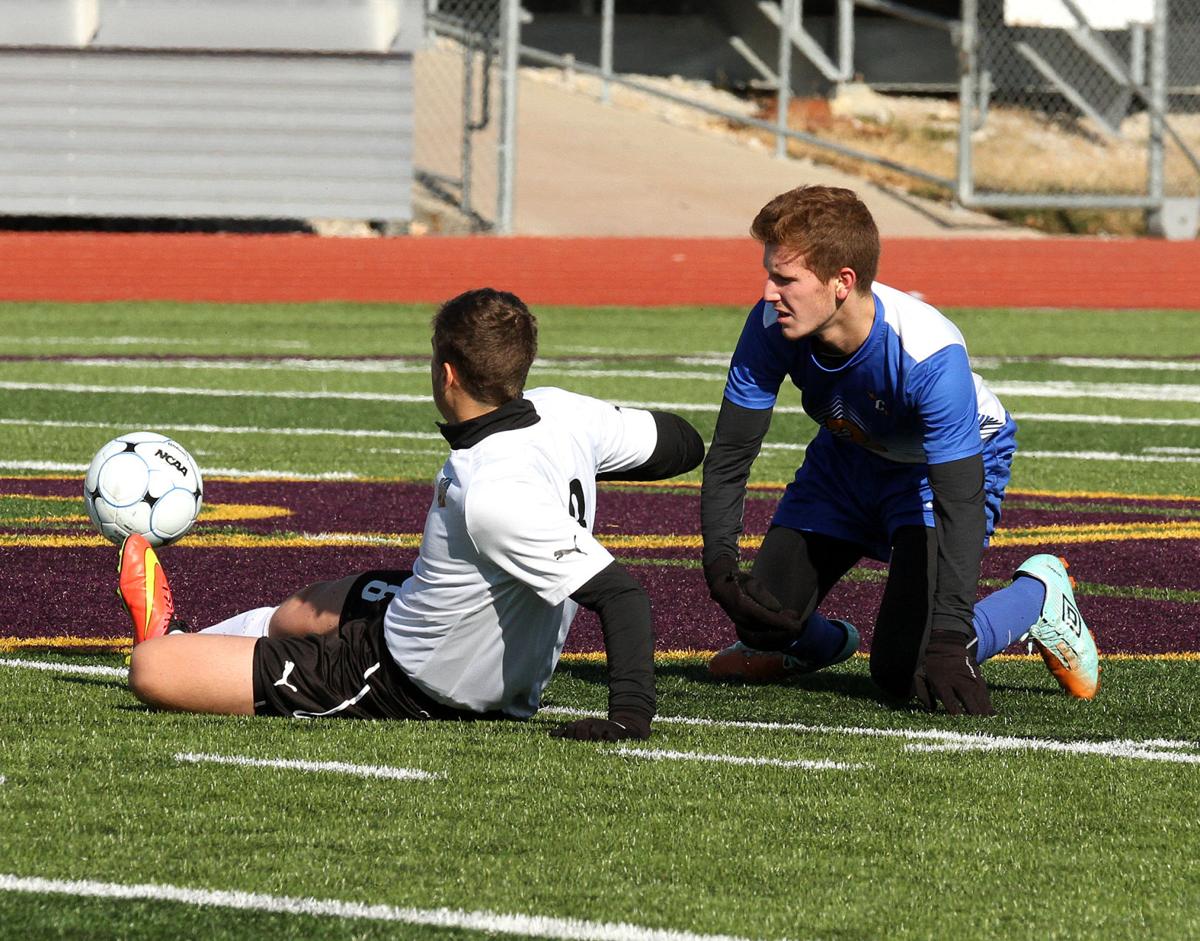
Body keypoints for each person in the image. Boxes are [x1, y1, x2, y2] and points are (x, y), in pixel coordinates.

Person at [121, 287, 704, 740]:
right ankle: (216, 637)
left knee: (152, 668)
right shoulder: (563, 413)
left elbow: (622, 596)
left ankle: (168, 639)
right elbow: (683, 443)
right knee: (310, 605)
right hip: (457, 617)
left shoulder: (494, 487)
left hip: (416, 680)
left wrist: (628, 717)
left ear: (447, 373)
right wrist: (572, 462)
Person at [699, 185, 1098, 715]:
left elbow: (958, 503)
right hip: (847, 460)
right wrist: (720, 564)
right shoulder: (771, 324)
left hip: (932, 478)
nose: (769, 292)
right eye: (770, 274)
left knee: (904, 672)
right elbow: (731, 451)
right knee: (758, 609)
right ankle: (813, 645)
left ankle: (1039, 597)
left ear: (842, 283)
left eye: (785, 279)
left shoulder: (929, 354)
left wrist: (951, 639)